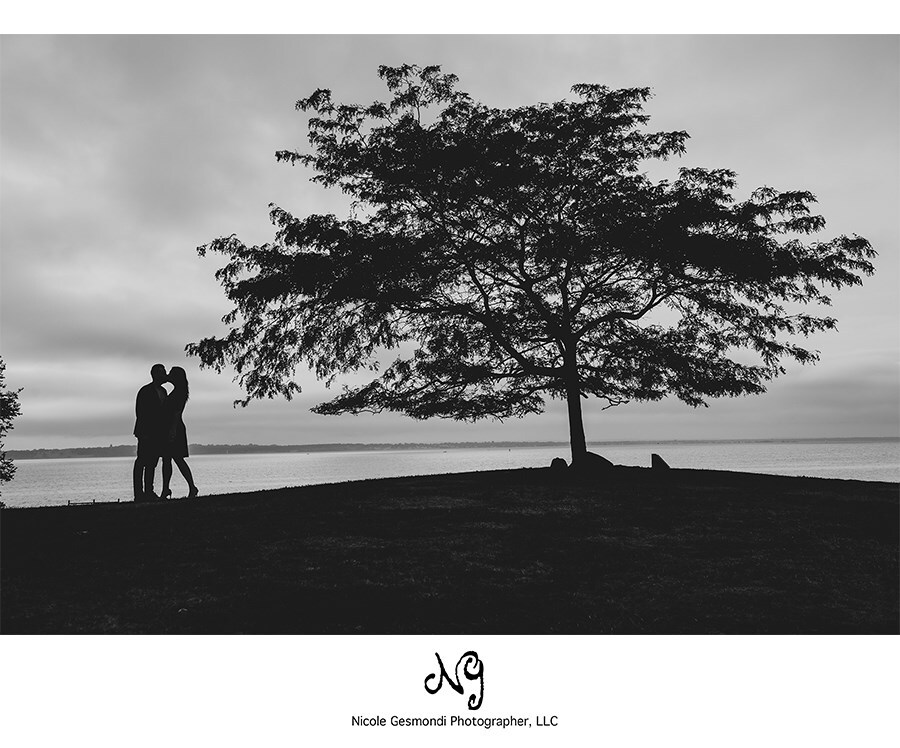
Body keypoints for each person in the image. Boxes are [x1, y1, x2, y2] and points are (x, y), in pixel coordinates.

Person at [160, 366, 199, 499]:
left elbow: (176, 413)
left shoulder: (179, 393)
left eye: (171, 373)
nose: (168, 374)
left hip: (174, 428)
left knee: (176, 459)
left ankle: (191, 487)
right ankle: (166, 489)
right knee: (168, 459)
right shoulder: (178, 391)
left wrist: (172, 430)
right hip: (170, 427)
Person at [133, 363, 168, 502]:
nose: (164, 375)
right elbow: (140, 412)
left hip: (158, 433)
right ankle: (139, 493)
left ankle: (149, 491)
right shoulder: (145, 391)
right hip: (146, 432)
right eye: (162, 372)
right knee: (142, 461)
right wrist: (144, 432)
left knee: (152, 462)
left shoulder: (163, 391)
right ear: (154, 375)